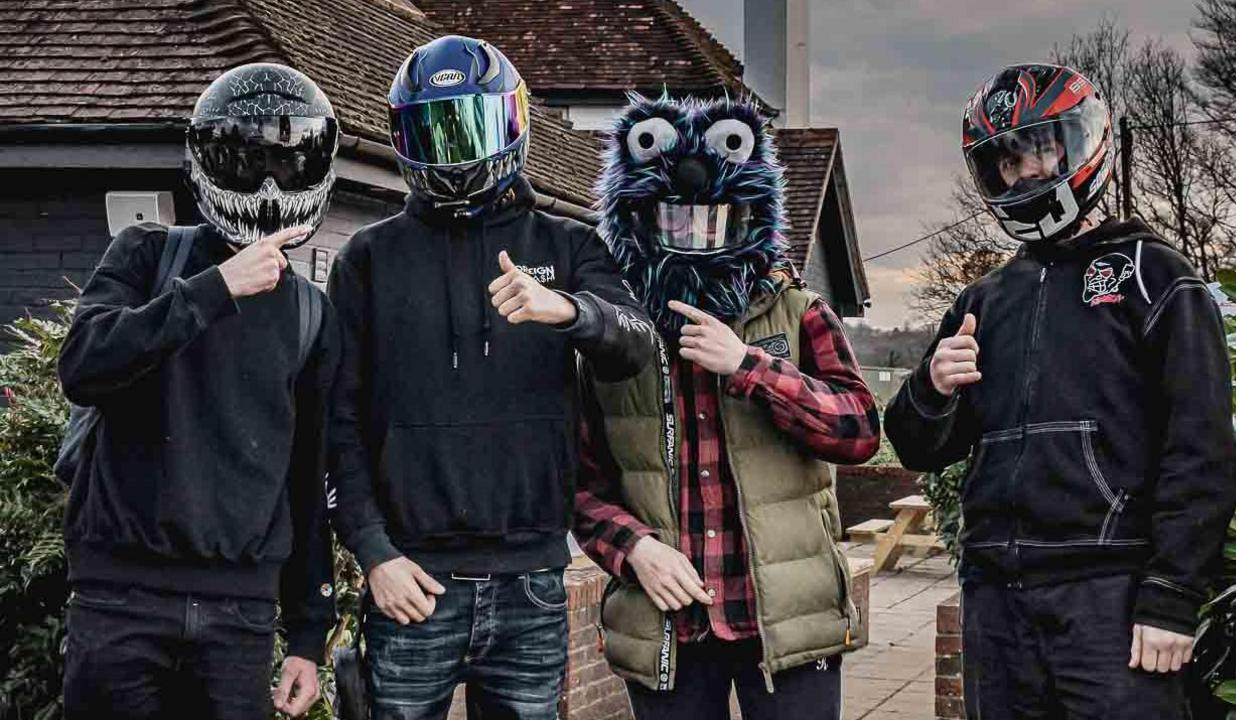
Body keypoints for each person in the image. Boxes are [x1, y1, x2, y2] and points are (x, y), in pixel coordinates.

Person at [885, 63, 1236, 719]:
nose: (1022, 175)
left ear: (1082, 144)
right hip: (995, 596)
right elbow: (915, 445)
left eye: (1037, 151)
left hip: (1112, 596)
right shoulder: (982, 302)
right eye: (1004, 163)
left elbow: (1202, 451)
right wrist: (932, 388)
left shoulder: (1154, 275)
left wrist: (1171, 595)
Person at [326, 36, 653, 720]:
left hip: (530, 581)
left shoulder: (566, 244)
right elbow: (338, 426)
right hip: (411, 581)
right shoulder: (368, 260)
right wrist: (374, 553)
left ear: (511, 123)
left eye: (468, 128)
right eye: (434, 132)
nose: (453, 151)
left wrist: (569, 311)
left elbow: (637, 345)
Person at [573, 94, 881, 720]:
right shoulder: (614, 335)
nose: (692, 238)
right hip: (667, 625)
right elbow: (578, 483)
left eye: (710, 221)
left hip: (789, 624)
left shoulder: (799, 312)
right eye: (675, 221)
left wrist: (749, 367)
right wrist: (633, 549)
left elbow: (859, 431)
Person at [58, 63, 341, 719]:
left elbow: (306, 478)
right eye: (251, 160)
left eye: (287, 160)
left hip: (239, 621)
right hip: (120, 603)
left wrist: (306, 636)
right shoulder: (146, 256)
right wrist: (215, 290)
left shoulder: (310, 314)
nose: (270, 182)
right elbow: (84, 365)